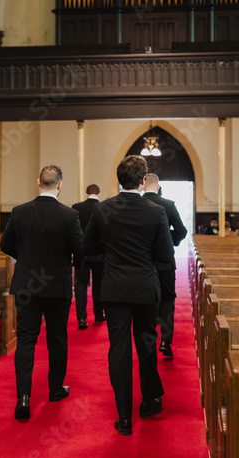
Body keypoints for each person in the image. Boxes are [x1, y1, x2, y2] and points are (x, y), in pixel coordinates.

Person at [83, 155, 174, 435]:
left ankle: (124, 416)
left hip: (114, 288)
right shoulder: (155, 211)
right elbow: (166, 255)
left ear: (119, 179)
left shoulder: (104, 210)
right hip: (146, 288)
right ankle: (148, 399)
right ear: (143, 180)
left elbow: (88, 247)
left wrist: (112, 256)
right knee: (147, 345)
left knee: (119, 349)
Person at [0, 165, 83, 420]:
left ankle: (23, 397)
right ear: (59, 185)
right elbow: (80, 252)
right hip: (57, 285)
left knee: (26, 340)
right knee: (57, 339)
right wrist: (68, 263)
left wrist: (23, 258)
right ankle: (55, 389)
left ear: (38, 182)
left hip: (26, 286)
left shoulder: (20, 212)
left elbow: (5, 245)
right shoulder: (70, 215)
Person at [143, 173, 187, 357]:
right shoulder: (168, 205)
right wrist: (171, 242)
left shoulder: (137, 206)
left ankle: (148, 341)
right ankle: (165, 342)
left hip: (144, 262)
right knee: (168, 299)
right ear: (158, 186)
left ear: (142, 184)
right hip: (166, 262)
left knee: (147, 301)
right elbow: (182, 231)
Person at [72, 184, 105, 330]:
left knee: (81, 284)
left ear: (86, 194)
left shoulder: (76, 207)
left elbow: (73, 231)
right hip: (99, 253)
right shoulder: (104, 207)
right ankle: (98, 314)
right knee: (98, 284)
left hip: (82, 252)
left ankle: (81, 318)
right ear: (99, 194)